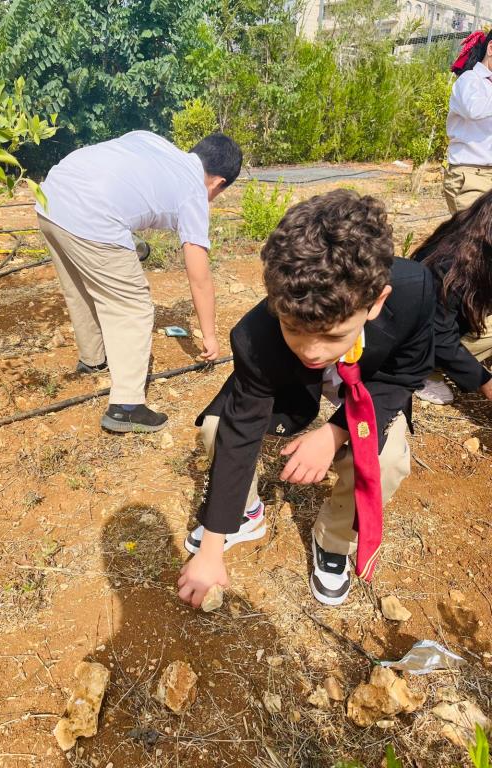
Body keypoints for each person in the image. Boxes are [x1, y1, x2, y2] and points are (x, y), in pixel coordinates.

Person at [178, 190, 435, 609]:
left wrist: (334, 433)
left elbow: (402, 376)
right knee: (216, 429)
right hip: (293, 389)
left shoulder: (415, 292)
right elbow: (242, 431)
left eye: (333, 335)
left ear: (376, 302)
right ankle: (245, 513)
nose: (312, 352)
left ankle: (334, 540)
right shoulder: (255, 336)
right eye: (294, 329)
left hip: (369, 386)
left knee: (386, 458)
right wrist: (210, 549)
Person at [36, 131, 242, 433]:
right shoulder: (195, 192)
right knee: (132, 305)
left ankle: (93, 360)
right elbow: (199, 277)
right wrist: (210, 336)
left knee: (79, 287)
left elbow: (123, 184)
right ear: (218, 183)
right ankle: (126, 407)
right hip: (91, 215)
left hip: (51, 197)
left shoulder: (156, 144)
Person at [413, 189, 492, 405]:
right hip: (421, 340)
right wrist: (485, 382)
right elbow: (438, 334)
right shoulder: (451, 264)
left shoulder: (475, 238)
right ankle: (424, 372)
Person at [444, 30, 492, 213]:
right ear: (491, 48)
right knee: (477, 231)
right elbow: (474, 109)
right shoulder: (469, 80)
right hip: (471, 176)